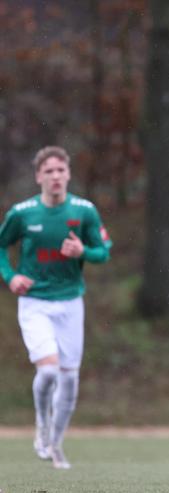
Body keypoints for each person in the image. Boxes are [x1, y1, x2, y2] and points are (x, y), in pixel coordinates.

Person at [0, 147, 112, 469]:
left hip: (70, 303)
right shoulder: (22, 213)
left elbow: (103, 252)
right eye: (48, 171)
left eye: (61, 170)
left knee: (70, 380)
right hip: (35, 301)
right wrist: (10, 276)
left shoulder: (84, 211)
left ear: (69, 174)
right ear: (38, 176)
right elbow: (1, 246)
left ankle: (56, 444)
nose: (55, 176)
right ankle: (41, 425)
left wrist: (82, 251)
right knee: (48, 370)